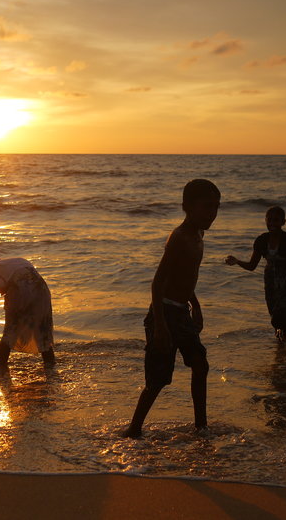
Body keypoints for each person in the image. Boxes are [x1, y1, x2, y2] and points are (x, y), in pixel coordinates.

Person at [124, 179, 221, 438]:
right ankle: (134, 429)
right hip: (164, 313)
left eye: (216, 207)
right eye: (206, 207)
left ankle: (201, 426)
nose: (212, 213)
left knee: (200, 364)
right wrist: (160, 327)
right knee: (158, 379)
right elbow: (158, 283)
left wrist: (196, 305)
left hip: (182, 311)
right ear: (186, 207)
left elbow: (186, 277)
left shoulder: (199, 235)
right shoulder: (179, 237)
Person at [225, 206, 286, 342]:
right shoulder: (261, 240)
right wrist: (237, 261)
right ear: (265, 220)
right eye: (269, 220)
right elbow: (252, 266)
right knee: (275, 316)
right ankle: (285, 345)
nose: (272, 223)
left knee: (279, 318)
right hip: (271, 279)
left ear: (283, 222)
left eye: (276, 220)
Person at [0, 257, 56, 369]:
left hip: (20, 292)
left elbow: (1, 287)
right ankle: (51, 368)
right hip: (42, 290)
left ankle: (0, 367)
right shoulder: (17, 261)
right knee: (41, 332)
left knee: (10, 331)